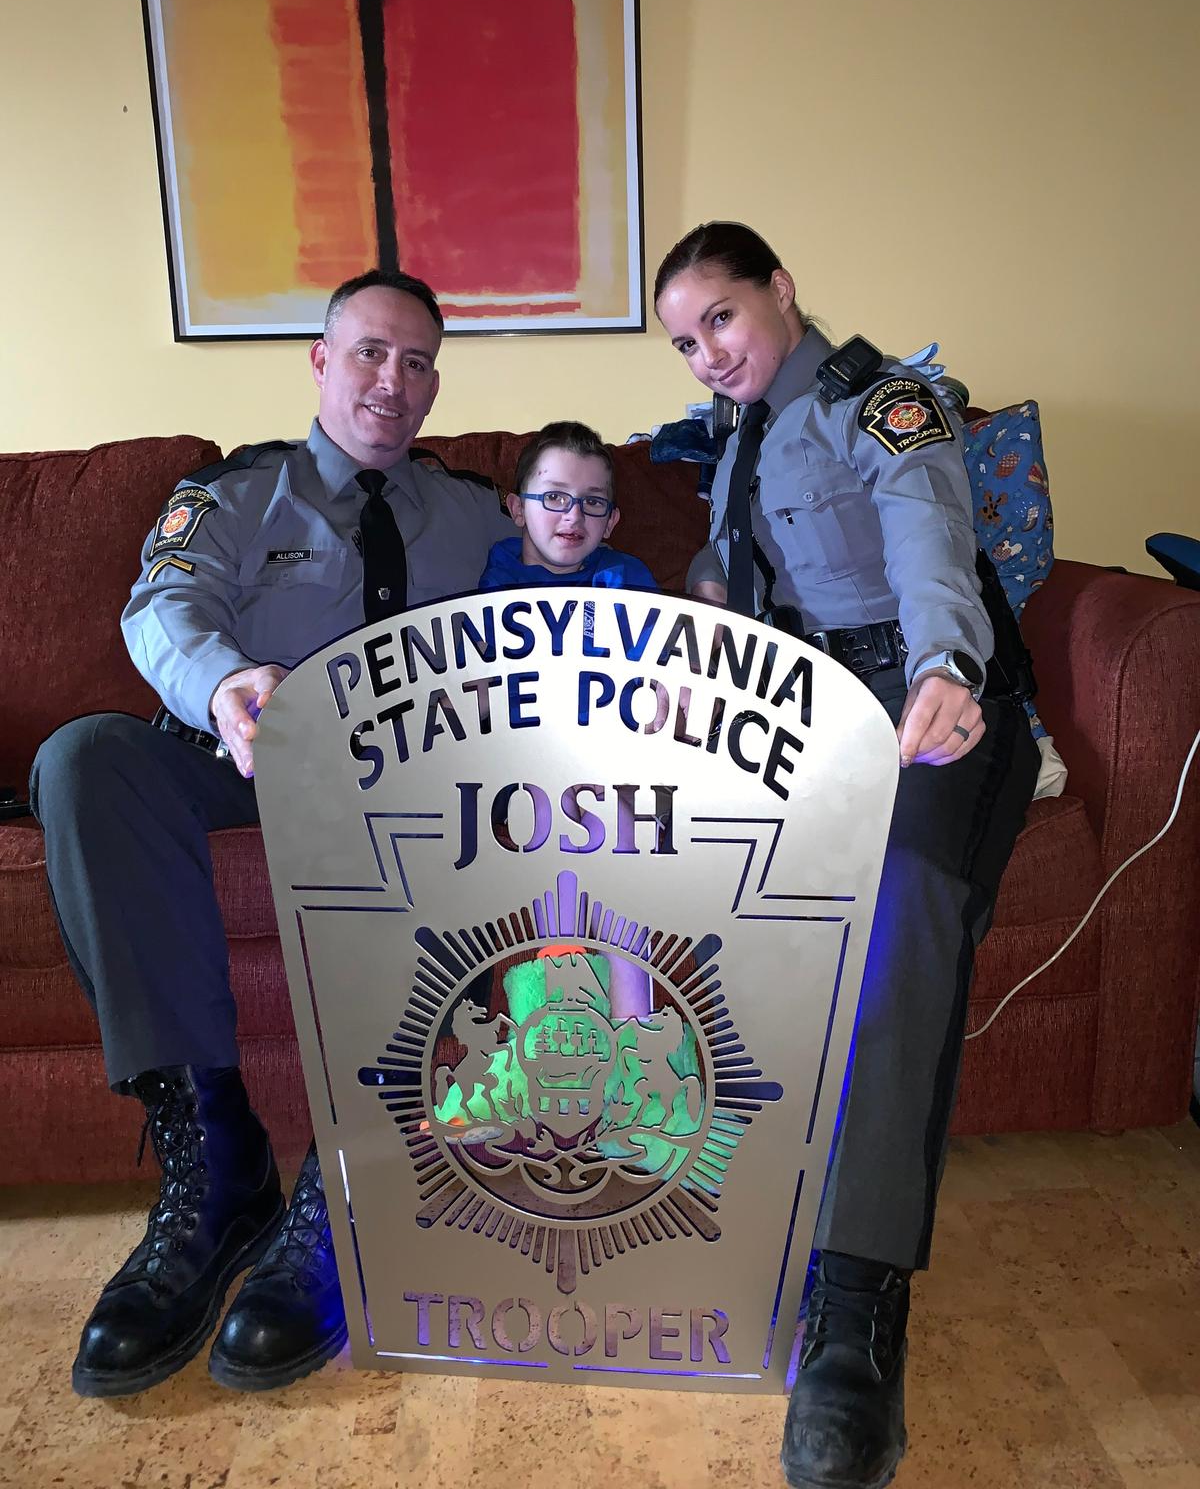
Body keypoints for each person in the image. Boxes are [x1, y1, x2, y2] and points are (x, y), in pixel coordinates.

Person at [29, 269, 513, 1399]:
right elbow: (164, 604)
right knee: (86, 758)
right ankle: (214, 1159)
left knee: (459, 797)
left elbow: (577, 597)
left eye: (419, 361)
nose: (394, 383)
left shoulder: (482, 509)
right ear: (319, 360)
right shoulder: (236, 494)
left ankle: (351, 1172)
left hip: (404, 779)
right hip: (243, 764)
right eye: (369, 353)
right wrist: (229, 682)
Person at [654, 222, 1039, 1489]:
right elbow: (743, 582)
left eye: (719, 317)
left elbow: (928, 536)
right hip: (800, 710)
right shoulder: (733, 444)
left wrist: (946, 664)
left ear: (781, 291)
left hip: (931, 698)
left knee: (907, 906)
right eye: (683, 341)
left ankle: (857, 1308)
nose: (706, 353)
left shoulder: (888, 399)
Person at [479, 419, 657, 591]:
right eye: (554, 496)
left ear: (610, 522)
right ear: (519, 509)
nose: (574, 515)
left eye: (592, 501)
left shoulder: (629, 580)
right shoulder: (495, 587)